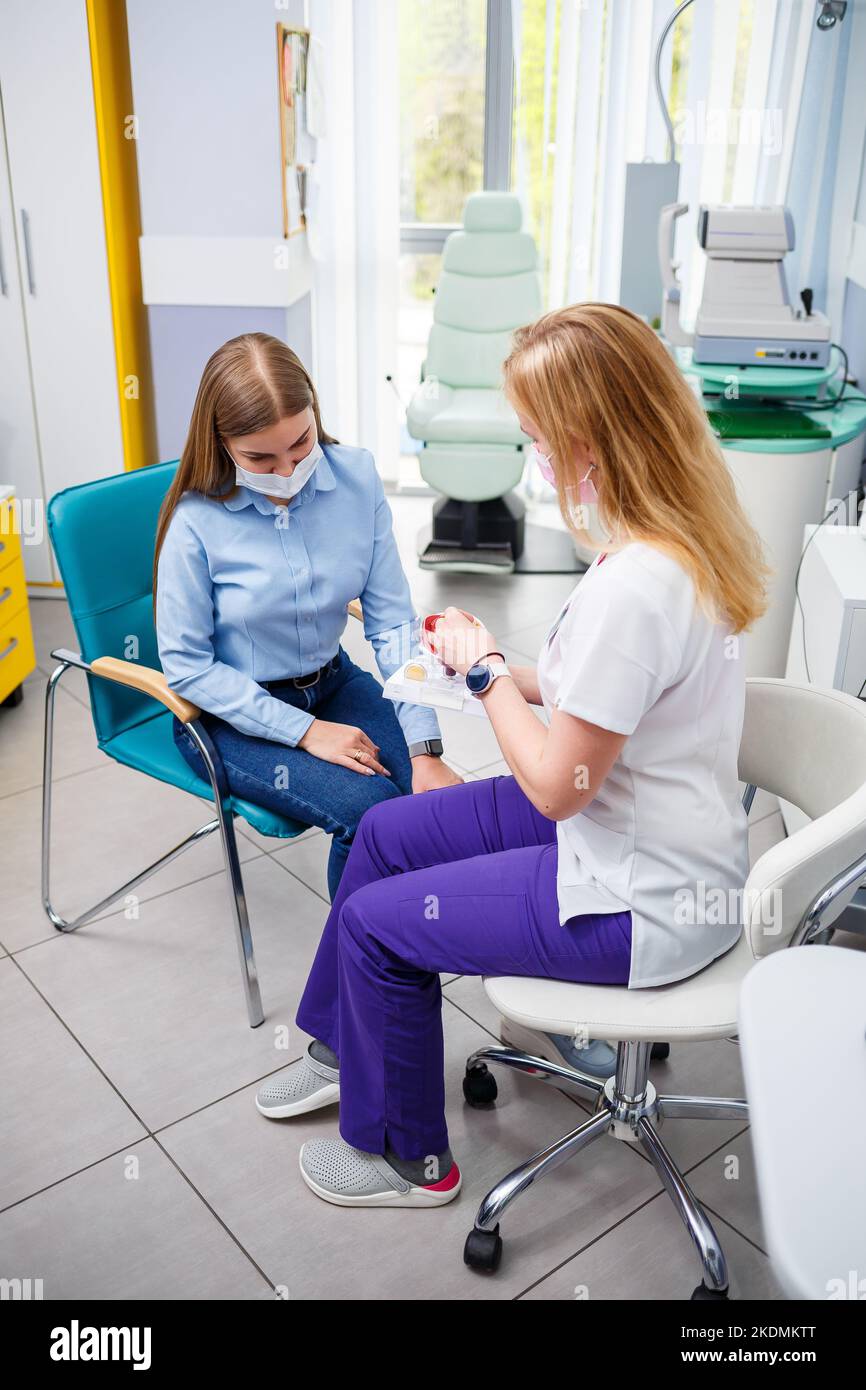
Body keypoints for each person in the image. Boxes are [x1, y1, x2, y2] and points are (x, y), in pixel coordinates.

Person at [256, 303, 768, 1210]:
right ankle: (349, 1050)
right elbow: (608, 702)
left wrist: (490, 676)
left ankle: (408, 1159)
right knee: (387, 835)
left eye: (538, 438)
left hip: (635, 897)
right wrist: (488, 667)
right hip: (647, 832)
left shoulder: (639, 587)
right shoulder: (677, 535)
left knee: (379, 925)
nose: (533, 457)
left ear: (596, 443)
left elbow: (557, 787)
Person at [154, 333, 461, 900]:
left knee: (431, 800)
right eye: (260, 459)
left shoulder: (356, 477)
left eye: (300, 443)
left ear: (315, 413)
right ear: (221, 445)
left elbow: (392, 622)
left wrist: (426, 748)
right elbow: (189, 668)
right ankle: (356, 979)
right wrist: (306, 732)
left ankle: (401, 951)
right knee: (373, 817)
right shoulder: (196, 521)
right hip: (229, 715)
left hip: (333, 681)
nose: (287, 470)